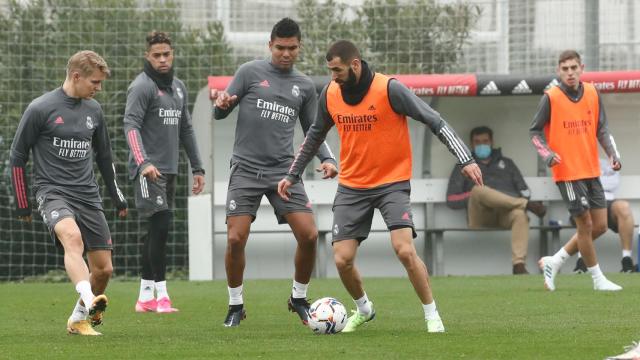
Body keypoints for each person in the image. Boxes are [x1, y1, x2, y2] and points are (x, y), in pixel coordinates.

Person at [278, 40, 483, 333]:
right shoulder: (330, 94)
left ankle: (431, 315)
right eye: (330, 70)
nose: (333, 76)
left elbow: (434, 120)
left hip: (392, 184)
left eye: (337, 70)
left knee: (403, 250)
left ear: (356, 65)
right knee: (342, 259)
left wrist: (465, 159)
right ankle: (364, 309)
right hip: (352, 186)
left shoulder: (389, 89)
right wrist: (292, 174)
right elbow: (313, 136)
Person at [211, 18, 338, 327]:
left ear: (299, 48)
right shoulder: (249, 72)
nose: (285, 53)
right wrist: (223, 103)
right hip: (246, 168)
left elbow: (314, 129)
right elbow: (220, 110)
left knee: (308, 235)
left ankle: (298, 298)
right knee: (235, 238)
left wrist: (327, 158)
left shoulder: (306, 85)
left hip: (285, 172)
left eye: (291, 48)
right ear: (270, 45)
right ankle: (235, 305)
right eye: (280, 48)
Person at [10, 50, 128, 335]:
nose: (98, 88)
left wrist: (116, 195)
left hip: (87, 194)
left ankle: (78, 319)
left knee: (103, 270)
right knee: (72, 239)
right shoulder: (40, 109)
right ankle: (90, 301)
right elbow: (17, 156)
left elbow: (104, 157)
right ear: (76, 76)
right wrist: (23, 203)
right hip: (52, 192)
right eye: (95, 82)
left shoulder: (94, 111)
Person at [124, 31, 205, 313]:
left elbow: (186, 130)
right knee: (161, 226)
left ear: (172, 55)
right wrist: (144, 162)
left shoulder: (179, 87)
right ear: (148, 56)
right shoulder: (141, 87)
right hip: (148, 172)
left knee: (157, 232)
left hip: (169, 171)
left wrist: (197, 167)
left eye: (166, 54)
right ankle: (162, 296)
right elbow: (131, 126)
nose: (162, 59)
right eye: (156, 55)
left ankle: (145, 297)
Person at [530, 49, 622, 291]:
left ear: (582, 67)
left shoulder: (592, 92)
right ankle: (597, 279)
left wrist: (612, 154)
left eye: (573, 68)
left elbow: (601, 128)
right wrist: (547, 155)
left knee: (600, 225)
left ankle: (555, 259)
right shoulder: (551, 97)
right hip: (567, 173)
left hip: (591, 170)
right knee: (585, 225)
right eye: (565, 69)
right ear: (558, 71)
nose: (570, 73)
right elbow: (535, 132)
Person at [447, 126, 547, 275]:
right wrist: (479, 195)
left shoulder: (507, 163)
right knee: (479, 189)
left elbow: (525, 191)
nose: (482, 144)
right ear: (471, 144)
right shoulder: (463, 166)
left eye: (485, 141)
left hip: (505, 214)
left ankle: (518, 265)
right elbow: (451, 199)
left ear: (492, 142)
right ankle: (526, 206)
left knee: (520, 215)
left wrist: (501, 197)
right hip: (480, 216)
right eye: (477, 142)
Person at [573, 158, 636, 273]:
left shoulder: (612, 155)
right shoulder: (579, 155)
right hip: (584, 200)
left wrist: (596, 180)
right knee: (587, 208)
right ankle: (581, 261)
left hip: (608, 202)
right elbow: (579, 183)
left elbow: (614, 183)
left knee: (624, 207)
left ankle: (627, 260)